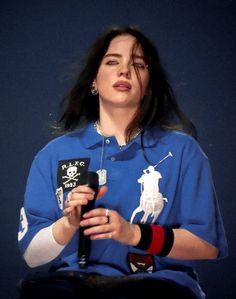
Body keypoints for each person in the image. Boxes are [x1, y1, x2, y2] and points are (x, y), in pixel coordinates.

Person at [17, 25, 228, 299]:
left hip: (158, 284)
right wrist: (67, 225)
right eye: (112, 61)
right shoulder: (53, 155)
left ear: (149, 84)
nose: (125, 70)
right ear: (94, 80)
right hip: (73, 284)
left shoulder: (183, 151)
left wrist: (133, 234)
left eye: (138, 65)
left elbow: (206, 245)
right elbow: (32, 256)